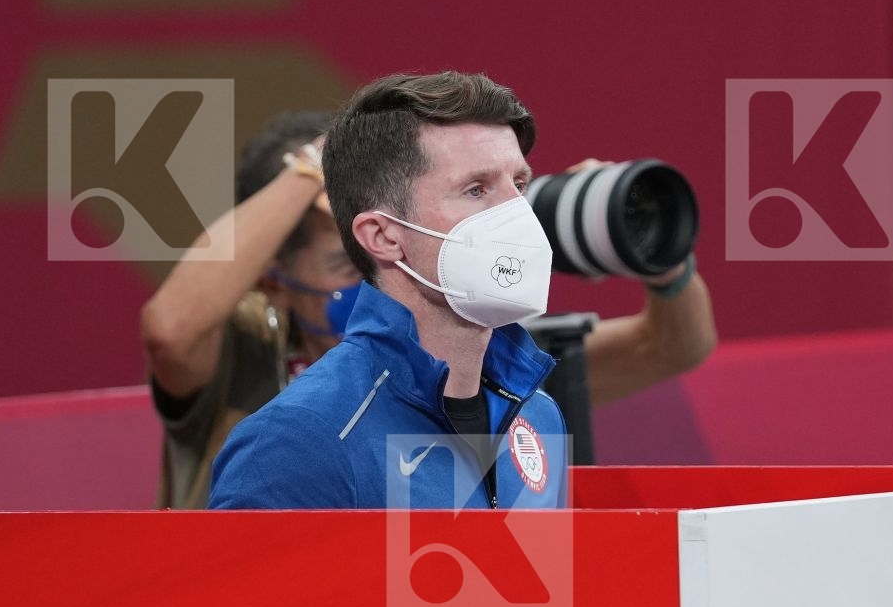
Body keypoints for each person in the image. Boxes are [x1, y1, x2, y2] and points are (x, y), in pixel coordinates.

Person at [141, 74, 716, 507]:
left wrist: (648, 242)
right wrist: (315, 167)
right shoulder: (287, 427)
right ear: (380, 236)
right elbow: (172, 328)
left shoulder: (531, 401)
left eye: (519, 185)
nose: (512, 216)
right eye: (474, 191)